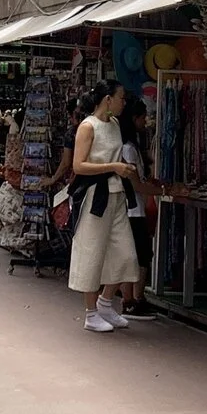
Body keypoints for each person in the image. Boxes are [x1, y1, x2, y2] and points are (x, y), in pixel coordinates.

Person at [67, 79, 141, 332]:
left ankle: (106, 302)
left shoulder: (116, 124)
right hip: (94, 196)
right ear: (108, 99)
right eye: (121, 98)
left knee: (126, 253)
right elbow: (78, 166)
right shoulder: (88, 126)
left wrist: (122, 168)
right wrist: (114, 167)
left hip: (117, 193)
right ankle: (91, 313)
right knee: (92, 252)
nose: (124, 103)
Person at [106, 97, 155, 324]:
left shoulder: (129, 146)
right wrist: (162, 188)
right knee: (138, 256)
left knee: (136, 255)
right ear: (134, 119)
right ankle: (132, 299)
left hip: (134, 208)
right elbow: (136, 183)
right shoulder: (128, 148)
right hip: (133, 209)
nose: (145, 121)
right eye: (143, 117)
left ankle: (131, 299)